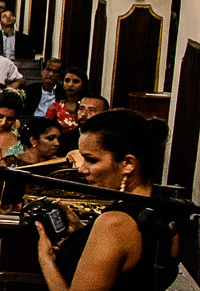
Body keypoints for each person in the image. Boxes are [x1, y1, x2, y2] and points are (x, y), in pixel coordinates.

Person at [36, 110, 179, 291]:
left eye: (91, 160)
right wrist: (83, 232)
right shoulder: (161, 210)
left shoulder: (114, 223)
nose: (82, 169)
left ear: (128, 164)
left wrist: (46, 260)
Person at [47, 67, 90, 132]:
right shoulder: (54, 108)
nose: (70, 84)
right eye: (67, 80)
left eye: (76, 81)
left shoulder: (88, 107)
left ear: (83, 85)